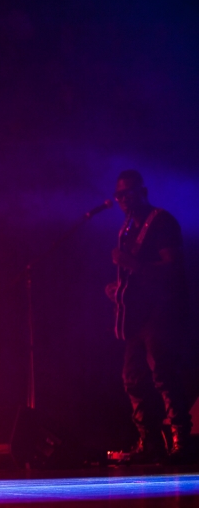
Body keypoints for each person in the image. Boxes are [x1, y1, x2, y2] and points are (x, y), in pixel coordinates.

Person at [106, 169, 192, 464]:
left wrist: (132, 265)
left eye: (129, 193)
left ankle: (181, 441)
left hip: (163, 311)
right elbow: (136, 275)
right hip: (137, 315)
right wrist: (119, 289)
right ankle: (150, 443)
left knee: (163, 375)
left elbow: (173, 268)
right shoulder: (127, 227)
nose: (123, 199)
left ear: (143, 191)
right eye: (119, 195)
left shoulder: (162, 222)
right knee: (132, 379)